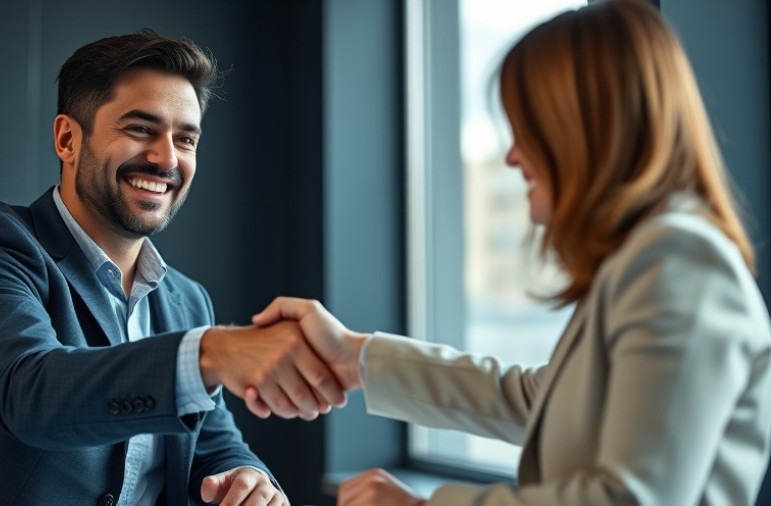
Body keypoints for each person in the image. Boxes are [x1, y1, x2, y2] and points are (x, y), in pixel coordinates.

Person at [249, 0, 771, 504]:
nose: (514, 155)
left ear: (583, 130)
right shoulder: (647, 262)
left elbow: (630, 500)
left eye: (529, 128)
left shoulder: (680, 265)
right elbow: (535, 401)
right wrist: (356, 355)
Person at [0, 30, 345, 506]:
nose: (167, 158)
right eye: (140, 129)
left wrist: (246, 476)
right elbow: (32, 393)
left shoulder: (188, 301)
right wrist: (210, 354)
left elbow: (211, 441)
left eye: (185, 139)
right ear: (67, 138)